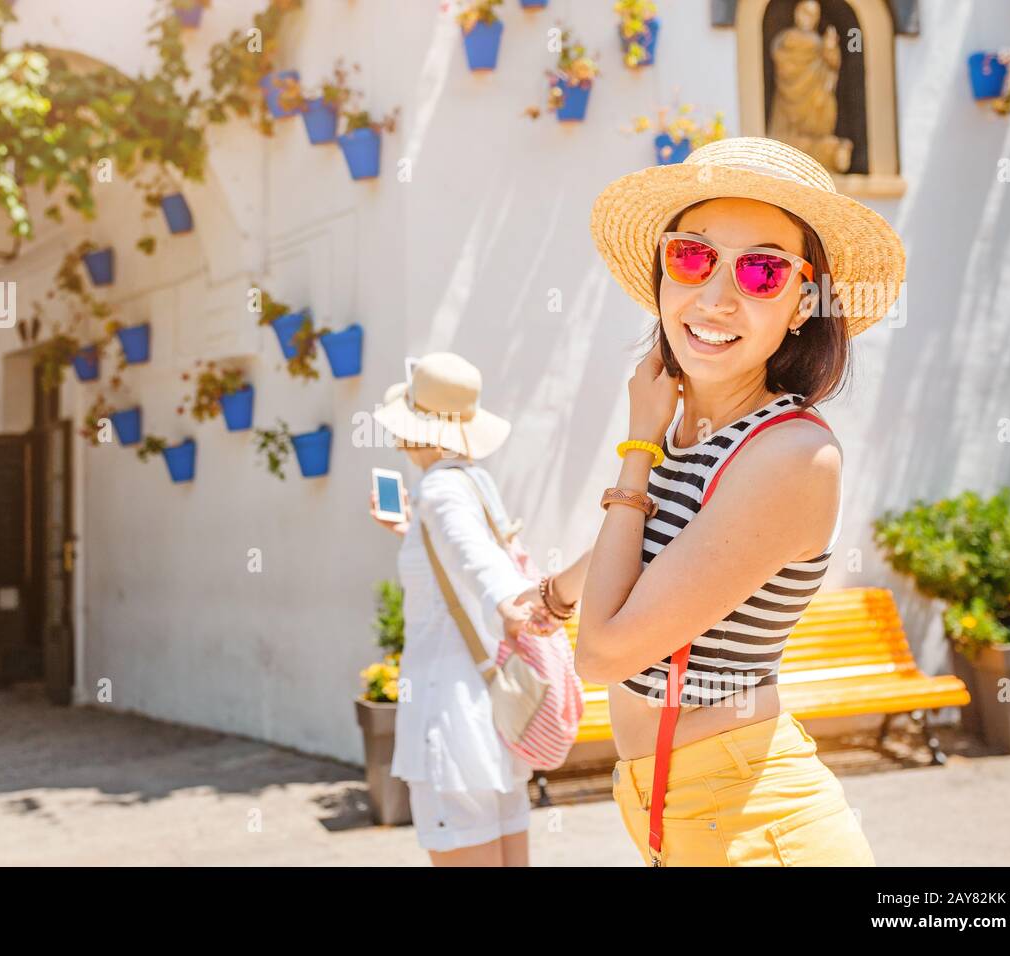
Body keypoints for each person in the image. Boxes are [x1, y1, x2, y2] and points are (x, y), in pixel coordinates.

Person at [564, 136, 905, 865]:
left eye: (761, 269)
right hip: (676, 815)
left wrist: (637, 446)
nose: (716, 296)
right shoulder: (700, 429)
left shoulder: (791, 455)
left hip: (754, 827)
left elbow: (602, 655)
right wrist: (551, 592)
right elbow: (669, 544)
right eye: (692, 256)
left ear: (801, 304)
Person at [367, 352, 586, 867]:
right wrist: (409, 532)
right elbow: (465, 554)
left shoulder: (440, 490)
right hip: (488, 710)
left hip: (453, 715)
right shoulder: (467, 480)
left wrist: (507, 603)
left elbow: (480, 562)